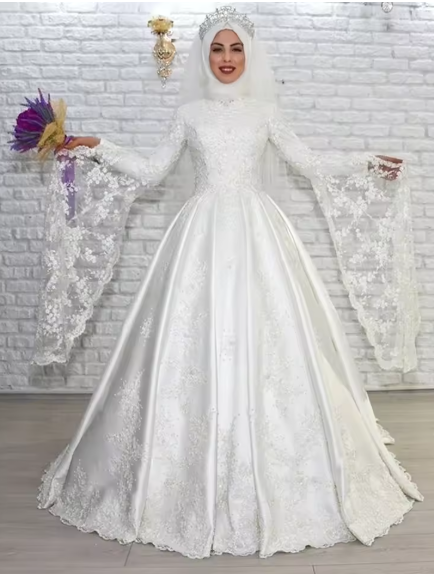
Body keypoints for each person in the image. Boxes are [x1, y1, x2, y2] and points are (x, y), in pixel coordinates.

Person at [37, 6, 422, 560]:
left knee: (275, 338)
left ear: (249, 55)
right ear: (204, 55)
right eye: (217, 49)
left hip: (257, 234)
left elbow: (309, 163)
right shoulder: (189, 113)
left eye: (235, 48)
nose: (226, 58)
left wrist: (365, 163)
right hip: (199, 235)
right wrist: (96, 146)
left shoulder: (265, 112)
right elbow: (151, 171)